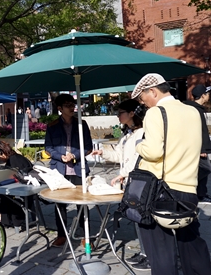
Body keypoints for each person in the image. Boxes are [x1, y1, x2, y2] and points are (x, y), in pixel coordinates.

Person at [132, 73, 211, 275]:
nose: (143, 102)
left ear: (153, 91)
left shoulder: (156, 113)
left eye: (142, 97)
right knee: (191, 243)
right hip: (189, 189)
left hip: (161, 191)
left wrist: (139, 145)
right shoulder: (193, 111)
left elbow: (154, 151)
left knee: (161, 251)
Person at [90, 99, 148, 269]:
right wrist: (103, 152)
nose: (117, 115)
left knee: (143, 217)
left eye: (121, 112)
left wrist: (123, 174)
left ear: (132, 113)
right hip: (130, 182)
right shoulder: (127, 133)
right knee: (137, 217)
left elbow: (139, 159)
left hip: (140, 182)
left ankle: (149, 255)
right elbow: (119, 155)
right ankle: (145, 253)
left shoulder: (143, 133)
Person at [44, 93, 93, 248]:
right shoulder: (52, 126)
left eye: (73, 104)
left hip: (79, 168)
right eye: (67, 105)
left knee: (83, 203)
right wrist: (61, 156)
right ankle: (61, 235)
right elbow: (48, 148)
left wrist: (75, 155)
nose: (72, 108)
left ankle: (86, 235)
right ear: (60, 108)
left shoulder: (81, 124)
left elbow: (88, 147)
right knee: (60, 204)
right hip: (59, 170)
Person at [183, 84, 211, 203]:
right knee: (205, 169)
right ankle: (196, 192)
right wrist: (202, 149)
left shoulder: (191, 108)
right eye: (207, 94)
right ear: (202, 96)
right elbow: (200, 130)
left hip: (193, 147)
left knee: (199, 170)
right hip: (198, 147)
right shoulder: (196, 110)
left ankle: (198, 193)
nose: (209, 96)